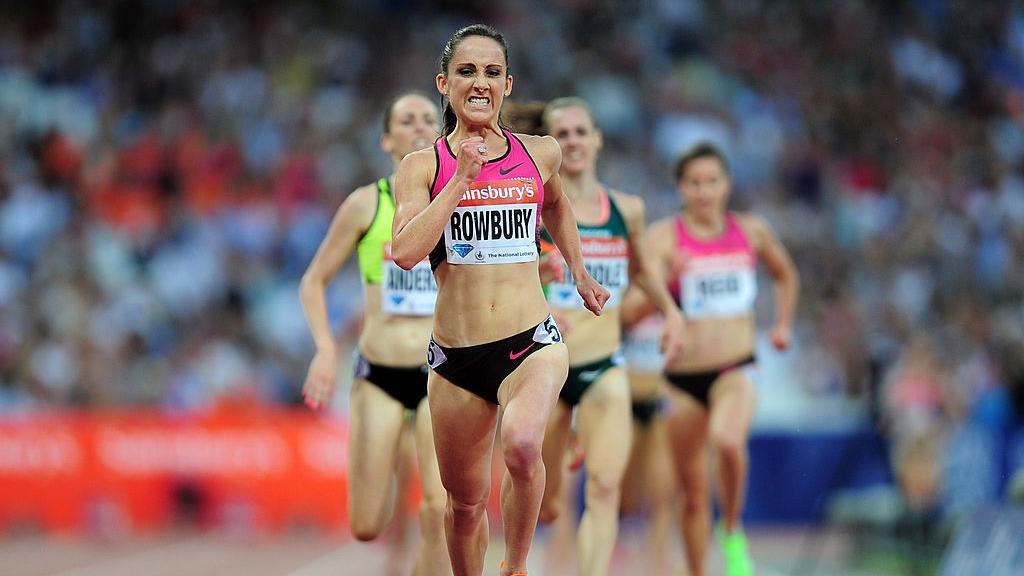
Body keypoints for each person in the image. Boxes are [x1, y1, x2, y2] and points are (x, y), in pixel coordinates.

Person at [391, 24, 609, 576]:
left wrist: (580, 272)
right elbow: (405, 251)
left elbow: (557, 205)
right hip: (457, 358)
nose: (480, 82)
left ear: (508, 84)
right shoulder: (422, 167)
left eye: (492, 72)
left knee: (521, 443)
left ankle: (515, 566)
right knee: (463, 507)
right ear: (445, 84)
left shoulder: (541, 154)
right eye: (467, 71)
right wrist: (459, 180)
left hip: (530, 340)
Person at [299, 92, 450, 576]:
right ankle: (391, 465)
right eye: (407, 120)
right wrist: (325, 348)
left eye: (430, 118)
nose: (420, 126)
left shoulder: (461, 202)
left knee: (438, 510)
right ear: (387, 139)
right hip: (379, 373)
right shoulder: (368, 203)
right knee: (365, 525)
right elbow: (313, 280)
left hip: (441, 374)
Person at [535, 97, 684, 576]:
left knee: (604, 488)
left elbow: (642, 272)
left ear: (597, 139)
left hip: (604, 366)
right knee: (547, 506)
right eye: (562, 132)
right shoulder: (532, 205)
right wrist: (535, 274)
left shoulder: (626, 209)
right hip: (545, 369)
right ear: (547, 145)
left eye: (581, 131)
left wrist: (671, 312)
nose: (573, 140)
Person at [644, 142, 800, 576]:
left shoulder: (752, 231)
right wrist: (667, 291)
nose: (704, 191)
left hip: (736, 367)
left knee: (728, 441)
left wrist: (783, 324)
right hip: (680, 379)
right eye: (694, 183)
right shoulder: (664, 236)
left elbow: (785, 274)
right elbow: (647, 284)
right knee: (692, 493)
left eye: (712, 181)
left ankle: (731, 530)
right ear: (681, 187)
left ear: (727, 184)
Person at [618, 286, 678, 576]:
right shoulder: (629, 295)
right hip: (628, 398)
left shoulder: (675, 301)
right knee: (624, 487)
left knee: (662, 486)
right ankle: (623, 543)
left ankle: (658, 555)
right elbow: (621, 320)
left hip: (659, 399)